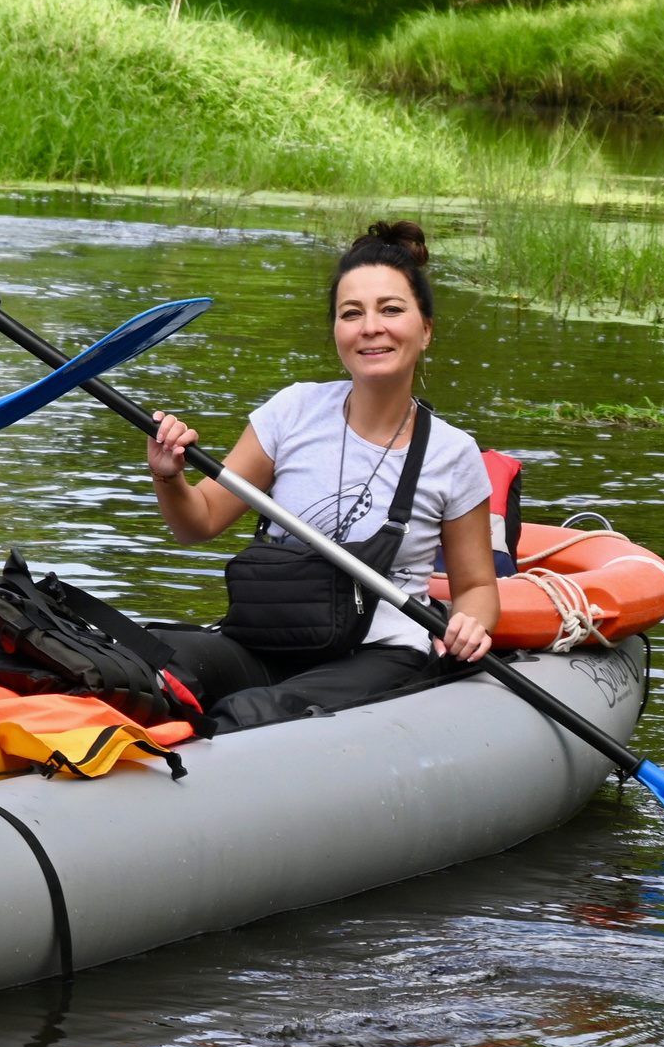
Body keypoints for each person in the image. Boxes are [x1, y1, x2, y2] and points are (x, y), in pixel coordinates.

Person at [143, 221, 499, 733]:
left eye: (391, 309)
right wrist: (169, 477)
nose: (370, 327)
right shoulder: (293, 411)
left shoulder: (453, 453)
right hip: (269, 640)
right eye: (351, 313)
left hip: (380, 654)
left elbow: (478, 586)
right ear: (336, 331)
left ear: (425, 330)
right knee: (146, 659)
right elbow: (198, 523)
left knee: (257, 713)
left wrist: (471, 623)